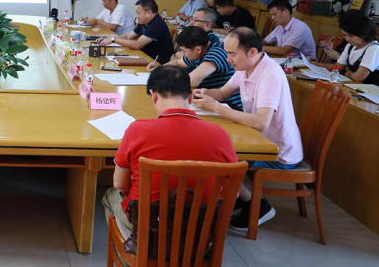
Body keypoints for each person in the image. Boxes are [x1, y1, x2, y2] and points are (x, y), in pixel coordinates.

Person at [102, 65, 238, 239]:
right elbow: (230, 191)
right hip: (200, 225)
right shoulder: (220, 135)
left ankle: (136, 246)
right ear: (190, 97)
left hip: (149, 221)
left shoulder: (137, 130)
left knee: (110, 196)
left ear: (154, 95)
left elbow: (120, 184)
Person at [193, 27, 303, 231]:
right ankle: (238, 198)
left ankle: (258, 206)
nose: (228, 59)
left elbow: (261, 122)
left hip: (277, 150)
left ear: (252, 52)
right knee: (215, 150)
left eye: (232, 54)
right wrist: (205, 93)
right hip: (258, 138)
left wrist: (216, 108)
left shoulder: (270, 74)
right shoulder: (246, 67)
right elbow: (223, 93)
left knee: (217, 157)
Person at [152, 26, 242, 110]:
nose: (183, 54)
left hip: (230, 105)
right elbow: (177, 63)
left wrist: (163, 78)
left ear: (198, 49)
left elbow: (191, 81)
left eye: (184, 51)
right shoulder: (200, 51)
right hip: (211, 99)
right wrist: (159, 69)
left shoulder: (217, 53)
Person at [99, 0, 174, 64]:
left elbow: (137, 45)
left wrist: (114, 40)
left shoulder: (157, 24)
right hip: (144, 57)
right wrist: (109, 39)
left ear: (149, 13)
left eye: (138, 13)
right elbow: (128, 36)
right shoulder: (144, 22)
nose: (136, 16)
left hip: (157, 64)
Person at [333, 11, 379, 84]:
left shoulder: (373, 48)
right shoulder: (350, 46)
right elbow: (338, 67)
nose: (347, 39)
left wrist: (348, 73)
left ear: (364, 32)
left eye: (351, 36)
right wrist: (316, 65)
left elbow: (358, 77)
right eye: (345, 35)